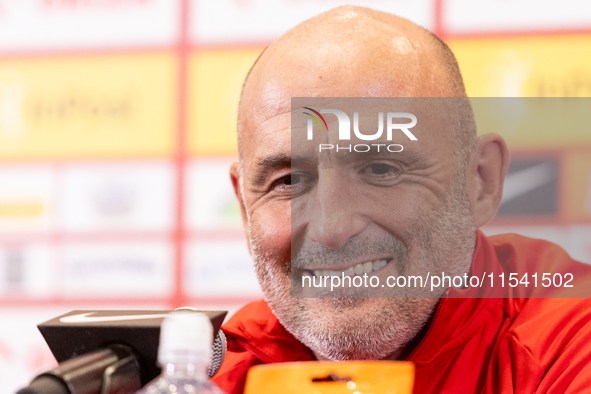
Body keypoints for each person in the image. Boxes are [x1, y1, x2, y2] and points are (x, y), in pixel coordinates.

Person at [211, 6, 591, 394]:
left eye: (380, 169)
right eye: (289, 180)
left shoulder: (569, 342)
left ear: (480, 181)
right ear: (245, 207)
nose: (331, 229)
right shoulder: (216, 373)